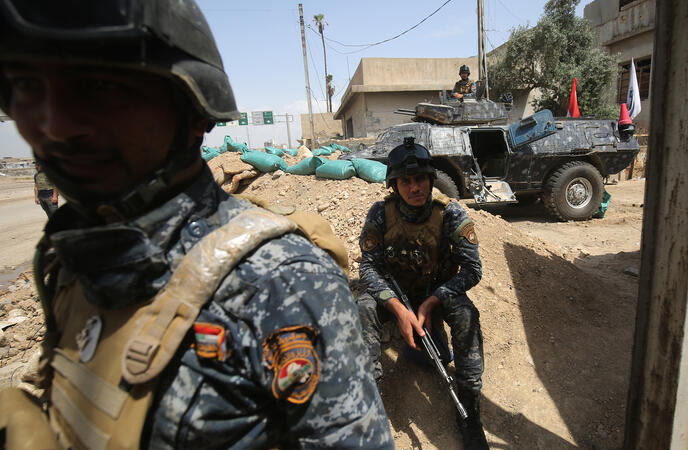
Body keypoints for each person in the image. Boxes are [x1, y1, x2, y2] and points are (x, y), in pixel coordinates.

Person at [0, 1, 393, 448]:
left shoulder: (280, 284)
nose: (54, 124)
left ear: (193, 111)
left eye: (98, 86)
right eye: (27, 85)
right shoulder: (70, 257)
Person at [356, 137, 489, 449]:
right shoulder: (380, 214)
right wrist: (399, 310)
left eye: (420, 179)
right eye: (406, 181)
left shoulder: (451, 214)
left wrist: (431, 303)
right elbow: (369, 268)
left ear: (431, 180)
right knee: (362, 308)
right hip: (395, 294)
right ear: (394, 185)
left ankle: (469, 408)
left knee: (466, 315)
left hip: (437, 293)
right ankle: (370, 405)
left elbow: (472, 270)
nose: (414, 187)